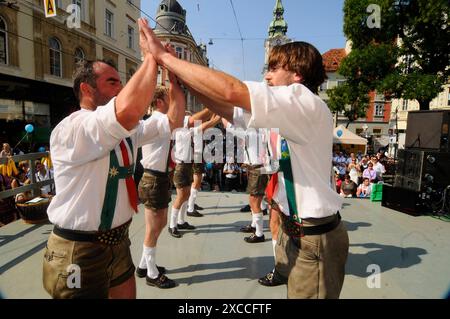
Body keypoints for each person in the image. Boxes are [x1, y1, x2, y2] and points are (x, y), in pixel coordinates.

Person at [138, 21, 348, 298]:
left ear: (297, 74)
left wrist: (166, 58)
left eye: (274, 69)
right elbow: (226, 106)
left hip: (313, 235)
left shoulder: (302, 100)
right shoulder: (291, 109)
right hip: (299, 230)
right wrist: (180, 76)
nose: (268, 76)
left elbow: (230, 91)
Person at [42, 19, 160, 299]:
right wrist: (152, 57)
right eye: (112, 82)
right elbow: (130, 110)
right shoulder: (74, 127)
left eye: (121, 82)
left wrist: (171, 78)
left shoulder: (121, 127)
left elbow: (168, 122)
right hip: (78, 250)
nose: (120, 88)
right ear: (86, 89)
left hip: (118, 241)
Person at [136, 82, 185, 289]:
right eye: (168, 99)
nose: (171, 102)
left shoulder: (157, 121)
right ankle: (151, 273)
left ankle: (143, 265)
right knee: (155, 226)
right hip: (154, 178)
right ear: (159, 102)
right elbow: (178, 116)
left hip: (156, 178)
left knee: (155, 225)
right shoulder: (158, 120)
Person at [168, 110, 221, 238]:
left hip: (186, 166)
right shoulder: (182, 132)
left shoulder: (185, 132)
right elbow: (208, 124)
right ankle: (172, 225)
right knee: (181, 196)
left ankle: (181, 221)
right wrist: (219, 113)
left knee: (185, 195)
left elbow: (207, 124)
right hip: (181, 167)